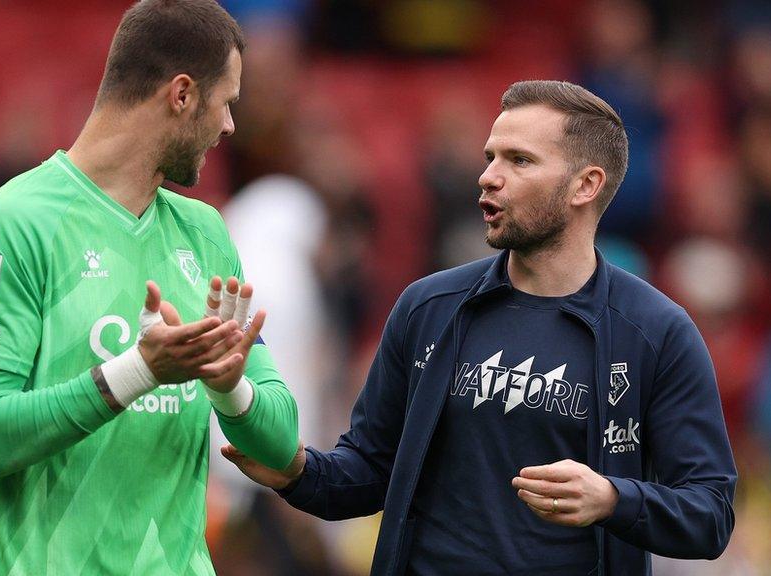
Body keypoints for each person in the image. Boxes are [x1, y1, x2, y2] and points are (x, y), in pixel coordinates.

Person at [221, 80, 737, 575]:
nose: (488, 176)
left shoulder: (656, 332)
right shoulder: (426, 308)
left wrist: (612, 498)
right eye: (490, 156)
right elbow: (366, 475)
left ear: (586, 184)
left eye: (519, 160)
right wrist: (297, 472)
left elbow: (709, 516)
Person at [0, 1, 299, 574]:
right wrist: (139, 371)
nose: (231, 125)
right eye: (226, 102)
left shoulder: (205, 233)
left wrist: (232, 388)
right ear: (181, 95)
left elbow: (281, 443)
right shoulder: (6, 230)